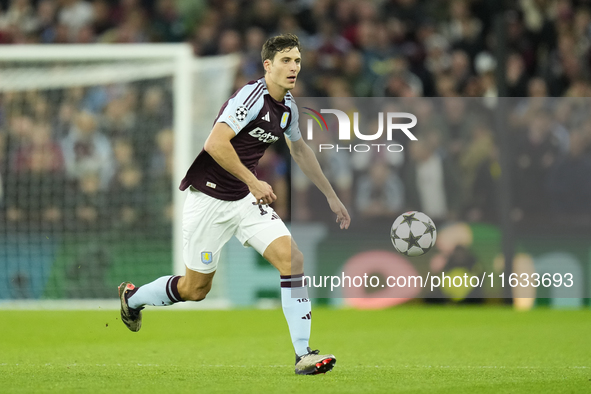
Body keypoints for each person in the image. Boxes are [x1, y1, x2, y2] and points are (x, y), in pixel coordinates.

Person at [117, 33, 350, 376]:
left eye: (297, 60)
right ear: (268, 65)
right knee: (195, 290)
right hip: (209, 200)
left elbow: (299, 149)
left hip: (243, 200)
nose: (294, 67)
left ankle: (303, 355)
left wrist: (330, 195)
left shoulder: (289, 107)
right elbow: (215, 143)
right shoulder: (250, 96)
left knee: (293, 259)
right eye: (286, 60)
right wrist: (254, 181)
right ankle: (133, 298)